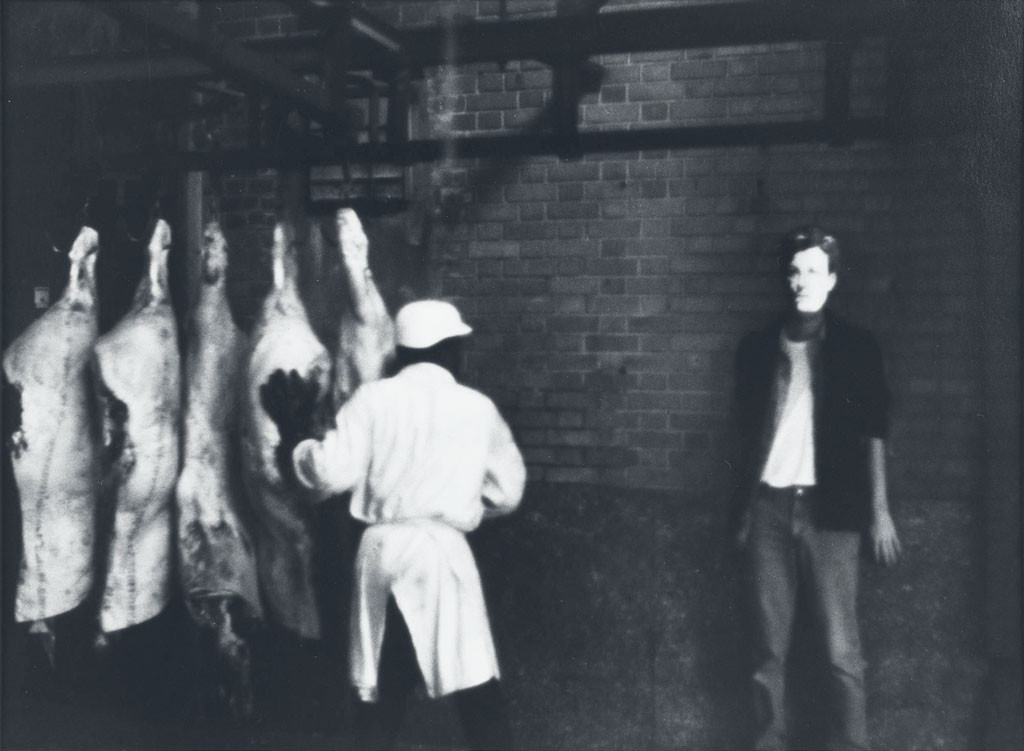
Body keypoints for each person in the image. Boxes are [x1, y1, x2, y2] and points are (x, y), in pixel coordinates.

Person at [261, 299, 526, 751]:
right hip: (442, 555)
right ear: (448, 351)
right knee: (475, 686)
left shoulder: (372, 400)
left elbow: (326, 474)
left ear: (401, 354)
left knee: (381, 688)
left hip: (381, 553)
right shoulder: (477, 408)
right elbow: (508, 492)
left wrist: (296, 442)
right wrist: (462, 503)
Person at [731, 227, 902, 751]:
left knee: (839, 650)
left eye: (813, 271)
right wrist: (741, 515)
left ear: (831, 279)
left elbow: (874, 429)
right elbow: (740, 437)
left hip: (832, 512)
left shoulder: (856, 346)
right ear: (785, 279)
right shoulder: (758, 348)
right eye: (794, 271)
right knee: (767, 650)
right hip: (768, 508)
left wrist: (880, 510)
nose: (802, 281)